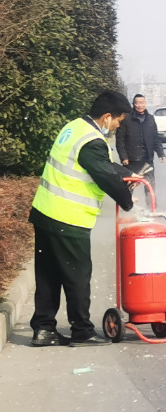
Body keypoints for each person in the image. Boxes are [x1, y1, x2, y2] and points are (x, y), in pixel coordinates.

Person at [28, 90, 136, 346]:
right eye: (119, 120)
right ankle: (82, 331)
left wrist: (127, 172)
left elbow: (98, 165)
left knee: (48, 275)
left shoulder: (74, 127)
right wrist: (127, 199)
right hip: (68, 218)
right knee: (77, 276)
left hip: (45, 213)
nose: (118, 126)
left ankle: (44, 329)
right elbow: (104, 174)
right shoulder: (92, 140)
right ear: (107, 117)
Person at [117, 93, 165, 184]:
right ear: (133, 104)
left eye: (142, 103)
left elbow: (155, 138)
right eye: (137, 103)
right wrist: (124, 157)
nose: (140, 105)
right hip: (131, 160)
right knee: (129, 186)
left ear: (145, 103)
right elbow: (120, 139)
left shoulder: (150, 119)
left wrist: (161, 153)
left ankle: (150, 199)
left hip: (147, 159)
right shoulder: (126, 119)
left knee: (150, 185)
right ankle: (128, 199)